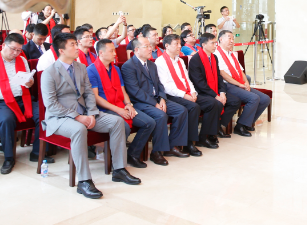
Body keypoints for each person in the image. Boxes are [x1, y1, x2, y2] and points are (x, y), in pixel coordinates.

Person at [41, 33, 140, 199]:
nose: (76, 47)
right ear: (61, 50)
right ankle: (84, 180)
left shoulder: (80, 67)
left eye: (76, 43)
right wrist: (77, 116)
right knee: (79, 129)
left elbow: (88, 93)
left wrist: (92, 113)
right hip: (60, 118)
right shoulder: (49, 73)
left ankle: (119, 169)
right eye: (72, 45)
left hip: (85, 113)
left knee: (117, 122)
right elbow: (51, 104)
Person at [0, 32, 44, 174]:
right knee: (6, 120)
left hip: (23, 99)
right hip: (3, 103)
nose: (16, 53)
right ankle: (9, 158)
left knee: (43, 115)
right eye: (13, 49)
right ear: (3, 45)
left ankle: (37, 153)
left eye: (19, 50)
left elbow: (28, 81)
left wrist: (30, 82)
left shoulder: (22, 60)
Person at [86, 38, 156, 169]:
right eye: (111, 51)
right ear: (101, 53)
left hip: (120, 104)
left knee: (149, 122)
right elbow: (95, 97)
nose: (115, 53)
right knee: (124, 126)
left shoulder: (115, 69)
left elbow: (123, 90)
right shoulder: (91, 70)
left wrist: (128, 104)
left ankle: (132, 154)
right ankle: (116, 162)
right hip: (104, 109)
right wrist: (118, 110)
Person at [121, 37, 189, 165]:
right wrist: (154, 104)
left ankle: (172, 146)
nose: (150, 48)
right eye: (146, 46)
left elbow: (159, 84)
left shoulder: (151, 64)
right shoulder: (128, 66)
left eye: (150, 46)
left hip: (157, 99)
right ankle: (156, 152)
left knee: (181, 111)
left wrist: (162, 98)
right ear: (136, 50)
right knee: (160, 115)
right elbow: (135, 91)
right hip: (140, 102)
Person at [156, 34, 221, 152]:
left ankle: (204, 137)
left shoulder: (180, 60)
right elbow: (166, 86)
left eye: (179, 44)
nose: (179, 46)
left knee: (213, 103)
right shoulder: (160, 62)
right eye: (176, 44)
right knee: (193, 107)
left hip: (186, 92)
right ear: (167, 46)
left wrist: (193, 92)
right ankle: (189, 143)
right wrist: (184, 95)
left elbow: (187, 79)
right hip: (172, 95)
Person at [215, 30, 270, 136]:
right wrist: (239, 84)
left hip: (238, 83)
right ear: (221, 39)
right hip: (227, 85)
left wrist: (246, 83)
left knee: (265, 99)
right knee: (254, 98)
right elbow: (222, 74)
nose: (232, 41)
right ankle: (240, 126)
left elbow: (240, 71)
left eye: (233, 39)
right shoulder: (216, 54)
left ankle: (247, 123)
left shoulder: (232, 54)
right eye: (229, 38)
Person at [188, 33, 240, 141]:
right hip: (201, 92)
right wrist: (215, 95)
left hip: (215, 89)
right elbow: (199, 83)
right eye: (212, 43)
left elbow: (218, 77)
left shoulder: (214, 57)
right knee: (215, 103)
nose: (215, 45)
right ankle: (205, 136)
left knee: (235, 101)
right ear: (203, 45)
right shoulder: (195, 60)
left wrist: (222, 92)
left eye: (215, 43)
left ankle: (217, 126)